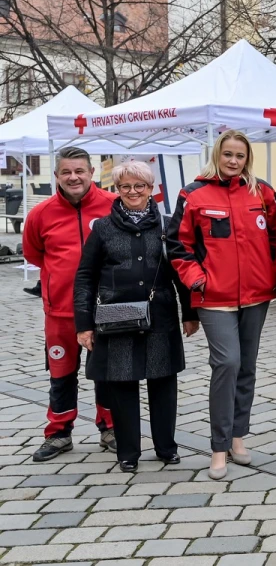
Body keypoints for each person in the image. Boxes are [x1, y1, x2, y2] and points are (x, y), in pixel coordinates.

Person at [168, 129, 276, 480]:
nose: (234, 161)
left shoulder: (262, 193)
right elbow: (177, 245)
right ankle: (218, 448)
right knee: (227, 364)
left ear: (248, 158)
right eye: (228, 154)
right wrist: (197, 281)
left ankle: (237, 438)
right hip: (214, 298)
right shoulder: (194, 193)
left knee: (246, 366)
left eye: (240, 155)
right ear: (218, 154)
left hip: (257, 296)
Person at [74, 161, 196, 472]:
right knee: (122, 385)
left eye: (139, 186)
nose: (132, 192)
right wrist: (83, 324)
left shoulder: (168, 226)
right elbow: (85, 277)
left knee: (163, 383)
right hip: (116, 319)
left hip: (160, 316)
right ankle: (128, 452)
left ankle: (166, 447)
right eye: (125, 186)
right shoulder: (102, 228)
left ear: (151, 189)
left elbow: (181, 272)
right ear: (117, 189)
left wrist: (189, 313)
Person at [22, 147, 115, 461]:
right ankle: (59, 433)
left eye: (79, 171)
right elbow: (34, 254)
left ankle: (110, 427)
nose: (73, 177)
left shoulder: (113, 206)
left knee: (106, 370)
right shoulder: (40, 214)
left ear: (91, 173)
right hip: (60, 311)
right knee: (61, 372)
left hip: (105, 309)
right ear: (57, 176)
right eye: (66, 172)